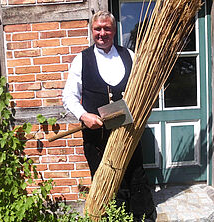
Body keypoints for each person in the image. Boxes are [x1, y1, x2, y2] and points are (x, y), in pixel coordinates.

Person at [62, 10, 156, 221]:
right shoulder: (81, 60)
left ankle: (143, 218)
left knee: (135, 178)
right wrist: (83, 115)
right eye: (98, 28)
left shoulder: (130, 55)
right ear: (92, 30)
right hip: (97, 138)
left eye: (107, 28)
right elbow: (68, 95)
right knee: (106, 181)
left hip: (128, 135)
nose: (102, 33)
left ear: (114, 30)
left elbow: (143, 90)